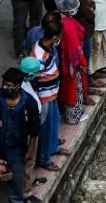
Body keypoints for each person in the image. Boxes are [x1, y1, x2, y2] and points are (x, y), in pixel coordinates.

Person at [0, 68, 40, 203]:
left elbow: (34, 129)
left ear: (18, 86)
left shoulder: (29, 102)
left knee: (17, 181)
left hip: (17, 150)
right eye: (4, 83)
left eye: (9, 85)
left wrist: (31, 149)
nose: (4, 87)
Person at [30, 17, 63, 173]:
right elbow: (34, 79)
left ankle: (53, 146)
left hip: (52, 94)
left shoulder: (47, 48)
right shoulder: (38, 55)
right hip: (45, 98)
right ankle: (44, 159)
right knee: (46, 127)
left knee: (54, 122)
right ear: (55, 37)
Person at [56, 0, 91, 126]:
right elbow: (74, 47)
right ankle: (73, 117)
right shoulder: (68, 25)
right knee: (74, 91)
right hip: (71, 64)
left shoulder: (60, 20)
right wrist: (82, 63)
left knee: (66, 90)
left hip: (63, 61)